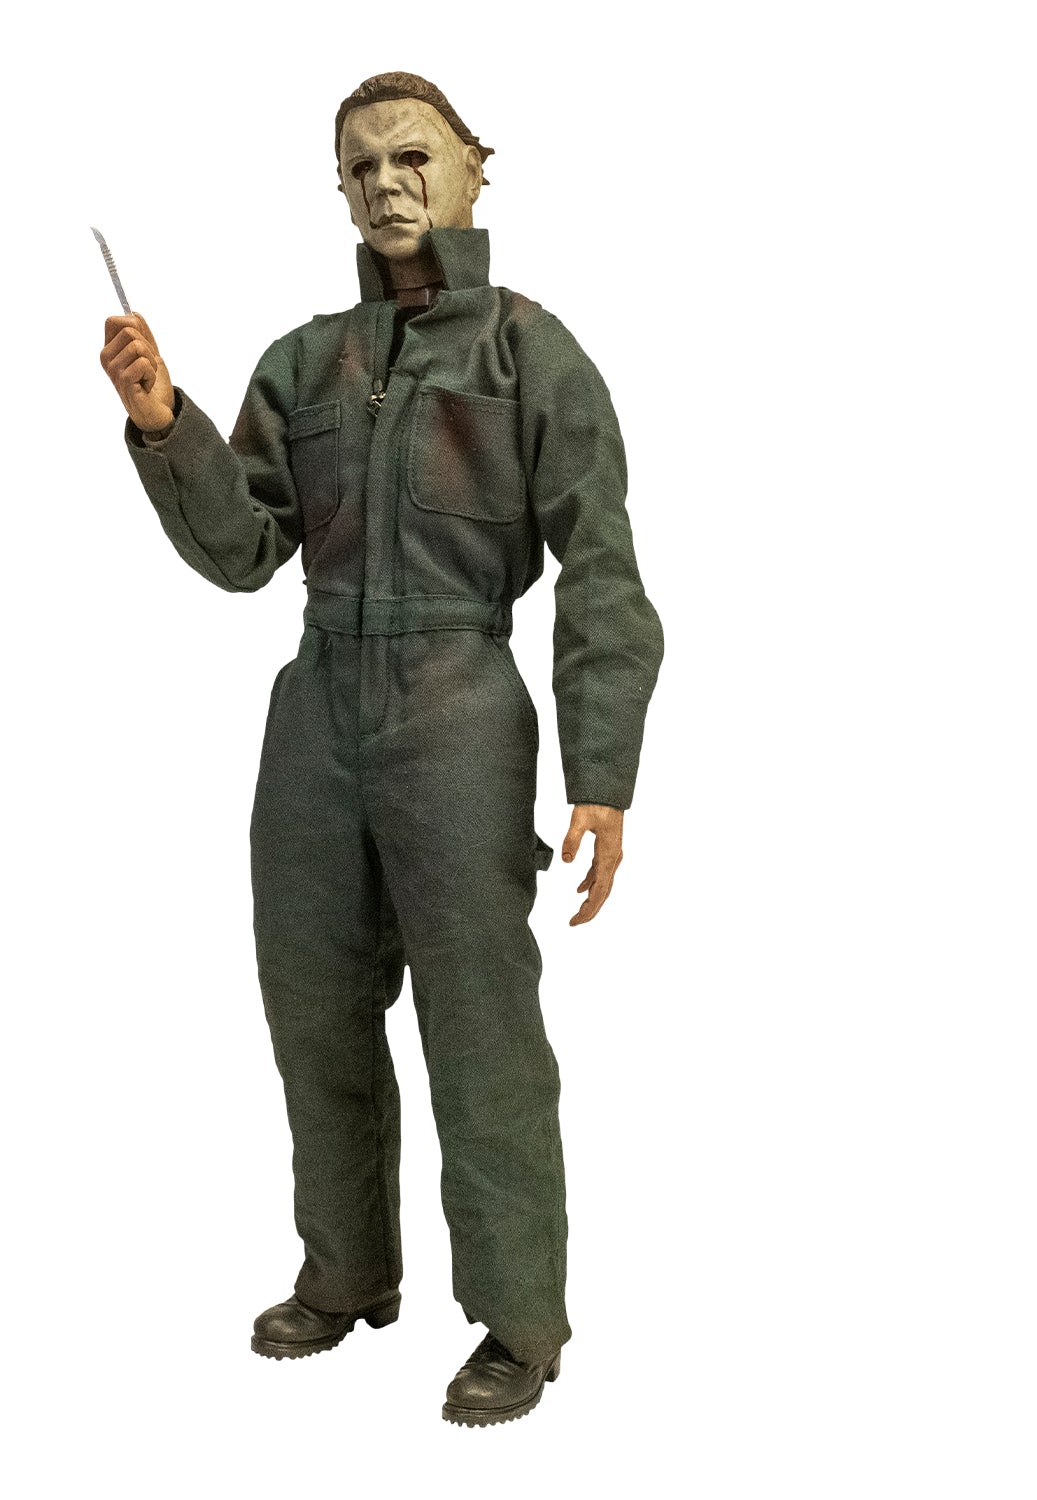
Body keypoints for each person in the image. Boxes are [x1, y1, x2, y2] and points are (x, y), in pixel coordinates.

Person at [99, 71, 663, 1428]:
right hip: (315, 715)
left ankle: (520, 1321)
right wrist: (165, 422)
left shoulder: (531, 353)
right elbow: (245, 551)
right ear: (338, 192)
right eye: (360, 166)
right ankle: (347, 1273)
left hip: (459, 705)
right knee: (313, 1006)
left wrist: (601, 775)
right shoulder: (305, 364)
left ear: (474, 172)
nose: (387, 183)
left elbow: (601, 567)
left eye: (414, 157)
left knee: (480, 1027)